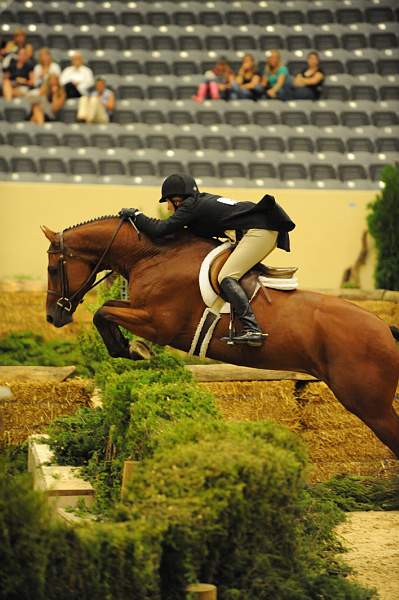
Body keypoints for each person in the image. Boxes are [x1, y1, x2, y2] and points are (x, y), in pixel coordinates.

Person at [119, 174, 295, 347]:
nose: (168, 208)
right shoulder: (197, 204)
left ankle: (252, 329)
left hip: (258, 231)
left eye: (168, 202)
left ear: (177, 199)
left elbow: (160, 229)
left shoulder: (190, 206)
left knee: (226, 277)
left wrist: (137, 215)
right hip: (256, 230)